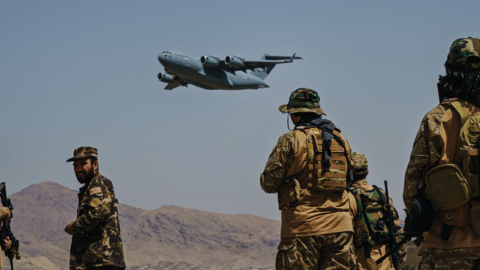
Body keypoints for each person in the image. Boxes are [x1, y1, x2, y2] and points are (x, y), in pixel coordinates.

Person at [260, 88, 357, 270]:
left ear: (295, 114)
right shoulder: (340, 139)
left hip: (303, 228)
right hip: (341, 228)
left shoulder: (290, 140)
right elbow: (350, 178)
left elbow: (268, 183)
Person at [404, 37, 480, 269]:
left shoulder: (438, 117)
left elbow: (413, 182)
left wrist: (419, 226)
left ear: (450, 73)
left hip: (449, 241)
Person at [64, 146, 126, 270]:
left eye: (83, 164)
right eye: (75, 166)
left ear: (95, 165)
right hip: (93, 261)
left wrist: (74, 227)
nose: (79, 169)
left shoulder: (99, 183)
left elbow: (98, 212)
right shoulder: (90, 187)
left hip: (101, 261)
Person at [348, 152, 406, 270]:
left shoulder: (346, 196)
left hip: (358, 260)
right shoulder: (380, 194)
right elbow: (396, 229)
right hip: (385, 259)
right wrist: (399, 257)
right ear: (367, 172)